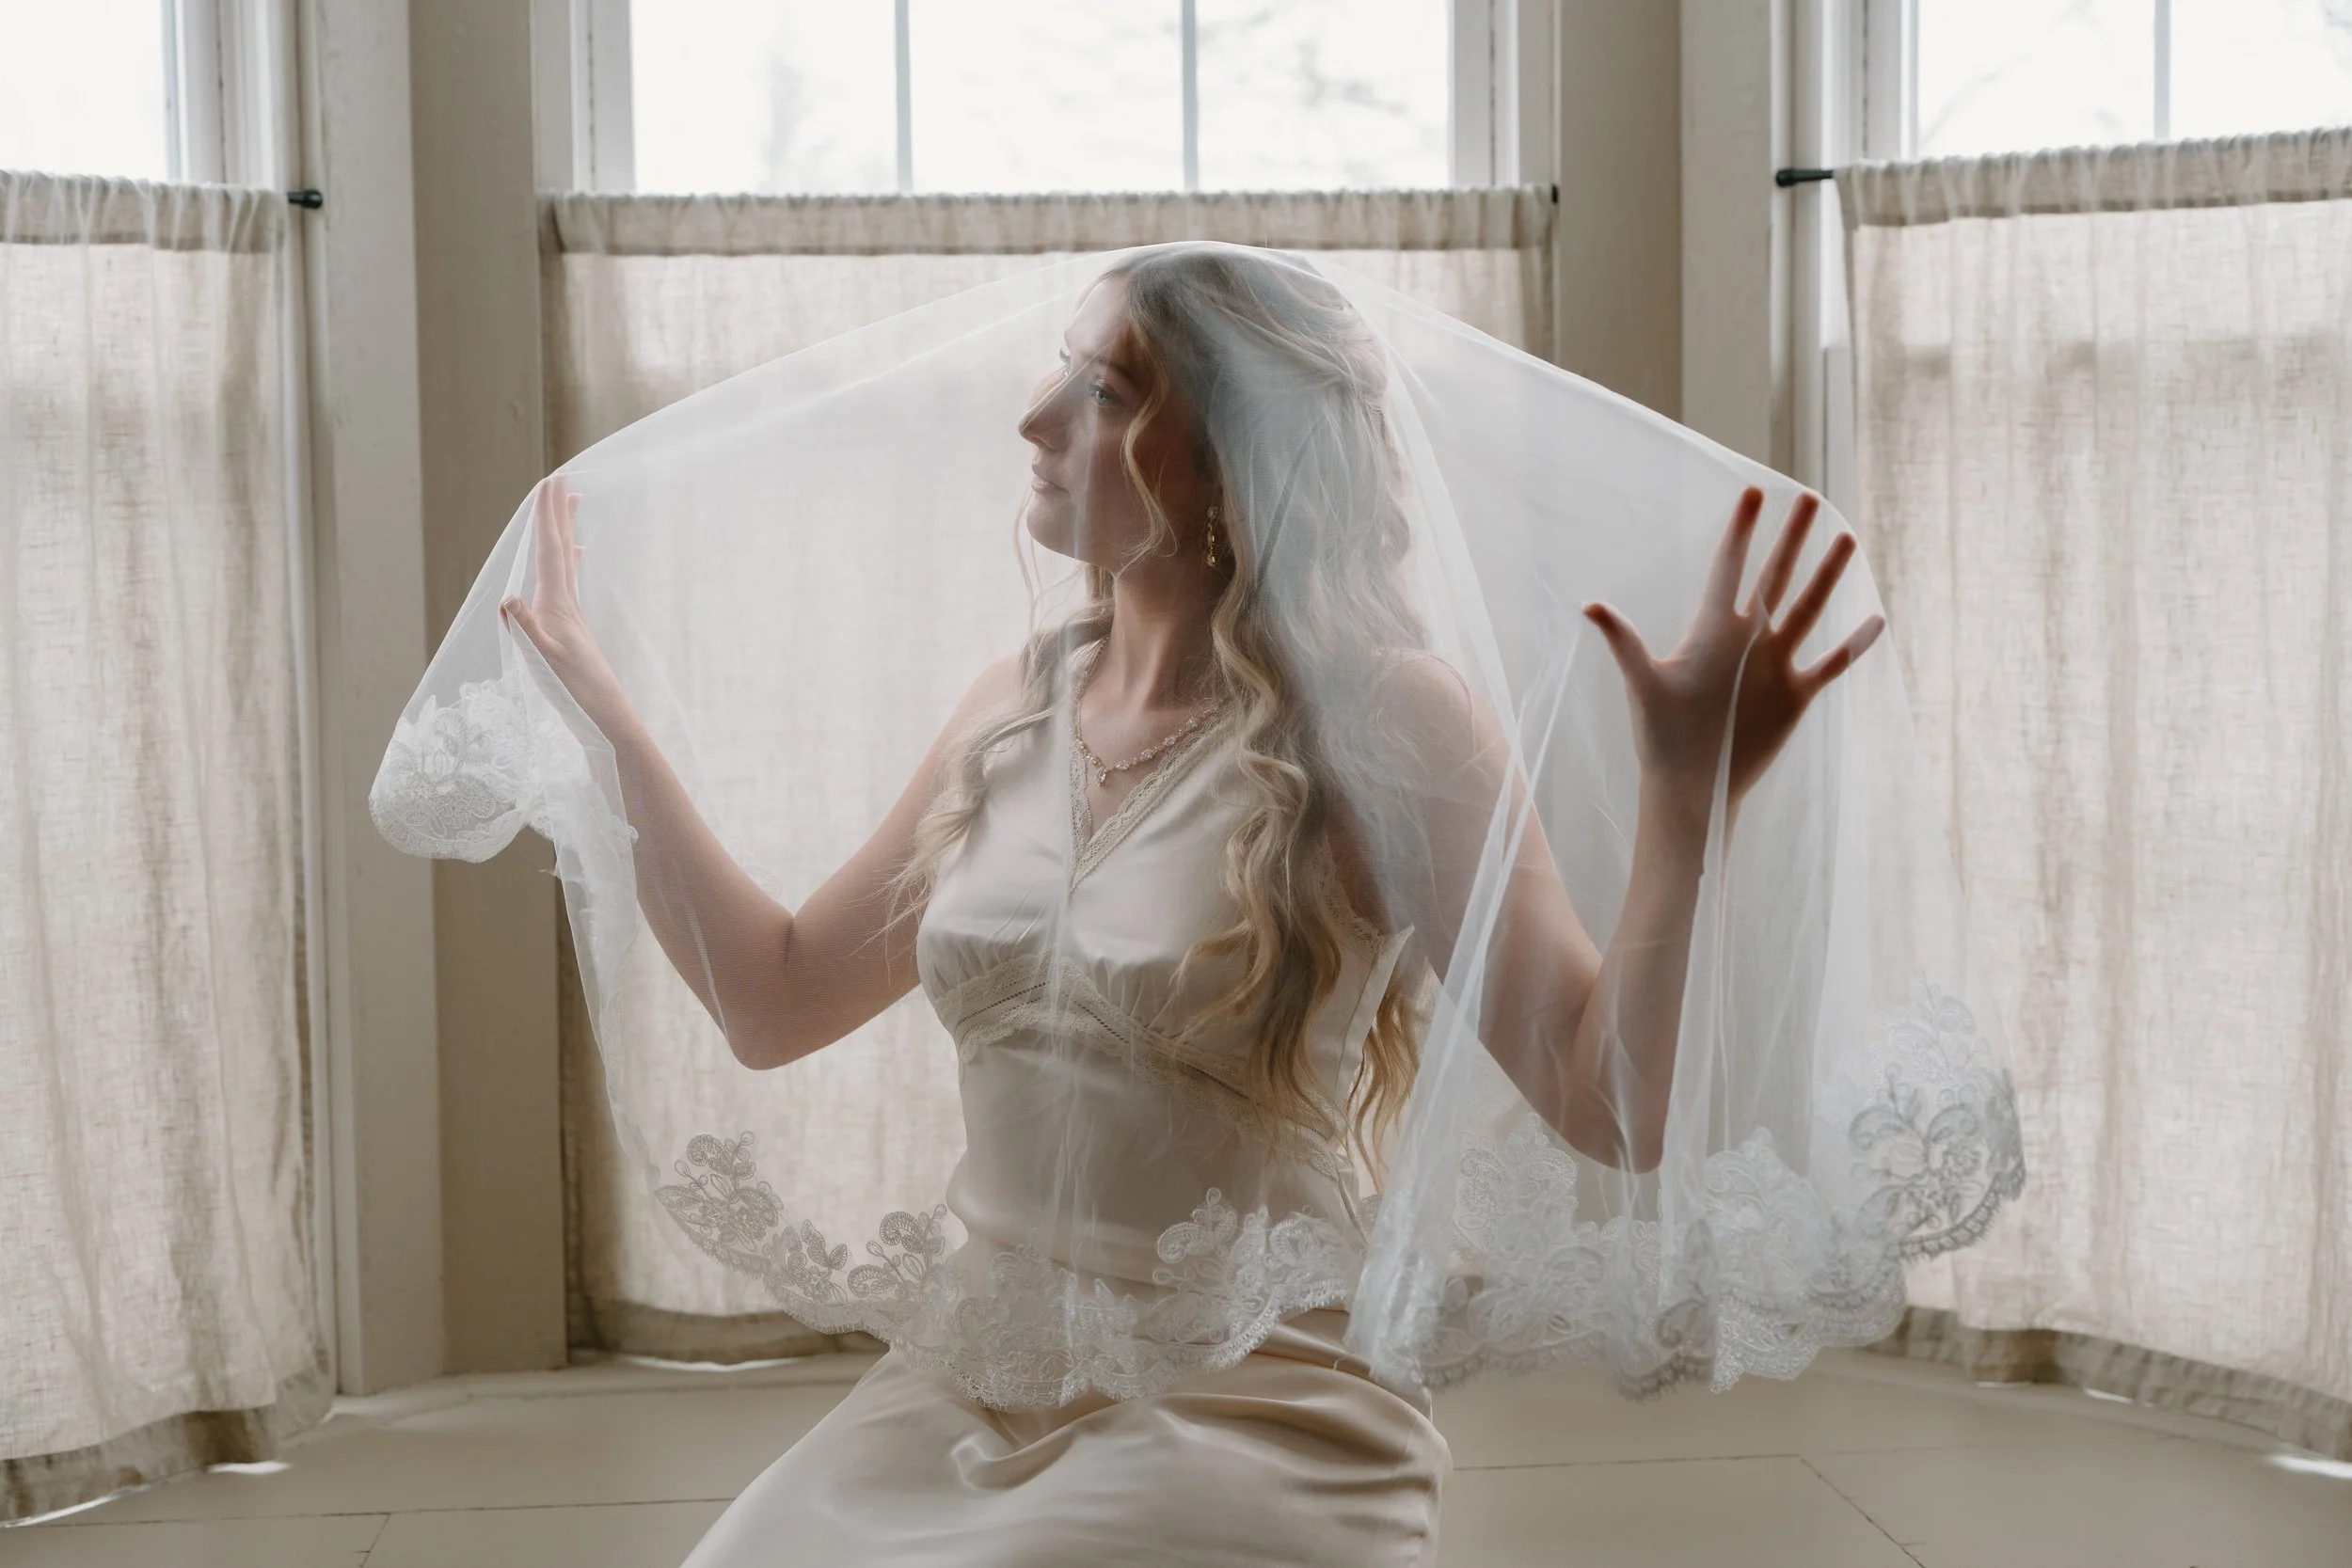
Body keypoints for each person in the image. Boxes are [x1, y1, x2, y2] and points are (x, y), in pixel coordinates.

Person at [488, 246, 1896, 1566]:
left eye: (1104, 390)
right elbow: (775, 997)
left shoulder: (1392, 723)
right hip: (973, 1376)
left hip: (1250, 1401)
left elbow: (1613, 1109)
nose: (1036, 418)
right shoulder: (1017, 699)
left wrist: (1679, 811)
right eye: (1060, 369)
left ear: (1240, 456)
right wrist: (604, 720)